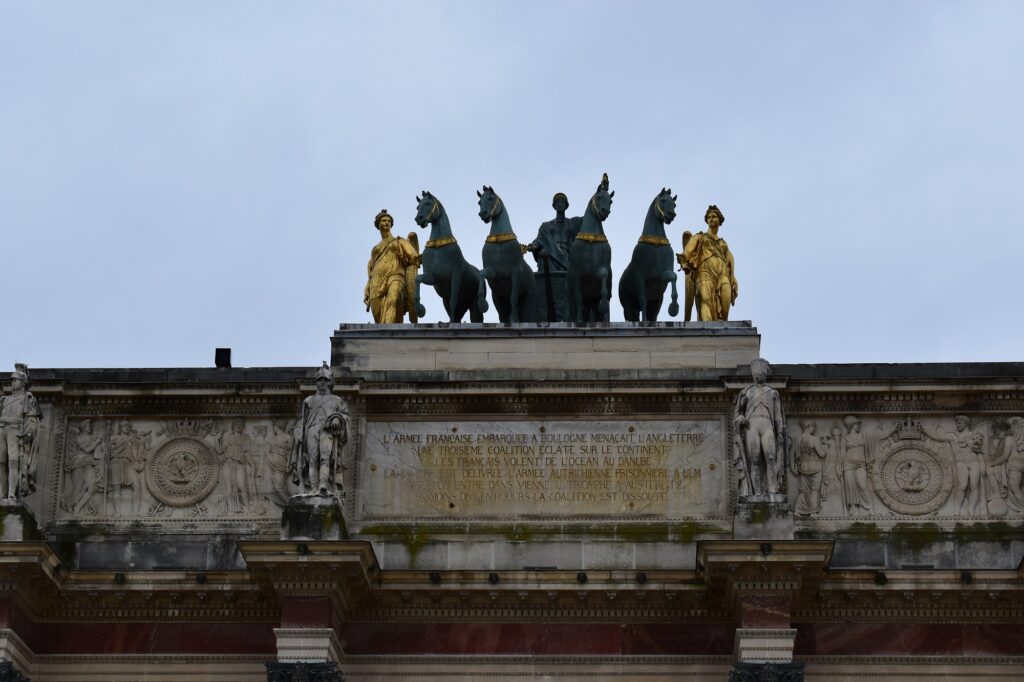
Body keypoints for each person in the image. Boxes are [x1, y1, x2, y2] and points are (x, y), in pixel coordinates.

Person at [291, 362, 349, 496]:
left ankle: (323, 485)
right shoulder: (308, 400)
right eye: (320, 380)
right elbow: (301, 420)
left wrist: (337, 418)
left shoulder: (337, 400)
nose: (322, 383)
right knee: (312, 459)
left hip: (327, 431)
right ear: (316, 382)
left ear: (330, 382)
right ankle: (313, 488)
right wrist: (298, 431)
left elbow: (345, 415)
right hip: (311, 430)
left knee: (325, 458)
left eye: (326, 380)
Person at [733, 358, 786, 498]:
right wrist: (740, 418)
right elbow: (739, 413)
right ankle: (756, 492)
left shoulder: (773, 393)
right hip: (752, 426)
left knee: (771, 457)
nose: (759, 374)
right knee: (754, 459)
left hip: (768, 426)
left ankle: (772, 489)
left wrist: (780, 431)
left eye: (761, 371)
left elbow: (778, 415)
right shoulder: (747, 392)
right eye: (756, 371)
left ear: (765, 373)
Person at [676, 205, 737, 321]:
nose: (711, 219)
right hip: (705, 272)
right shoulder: (700, 236)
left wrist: (733, 278)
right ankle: (707, 328)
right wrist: (683, 257)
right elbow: (688, 250)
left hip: (723, 273)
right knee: (705, 301)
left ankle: (722, 327)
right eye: (709, 217)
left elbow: (729, 261)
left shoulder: (723, 243)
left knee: (725, 302)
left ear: (720, 220)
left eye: (714, 216)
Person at [364, 209, 420, 323]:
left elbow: (413, 254)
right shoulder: (375, 249)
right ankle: (383, 331)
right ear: (378, 224)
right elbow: (371, 270)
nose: (387, 223)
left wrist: (418, 258)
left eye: (389, 221)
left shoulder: (400, 241)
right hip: (376, 280)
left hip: (396, 274)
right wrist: (367, 286)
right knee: (376, 312)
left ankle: (389, 331)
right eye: (384, 220)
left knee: (394, 299)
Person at [0, 363, 42, 499]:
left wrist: (26, 435)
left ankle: (12, 492)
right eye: (12, 380)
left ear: (23, 382)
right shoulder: (4, 400)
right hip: (2, 429)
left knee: (13, 461)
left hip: (15, 430)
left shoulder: (29, 399)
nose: (12, 382)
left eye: (15, 380)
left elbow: (32, 421)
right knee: (1, 462)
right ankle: (2, 493)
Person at [526, 193, 581, 272]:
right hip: (552, 256)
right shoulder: (546, 226)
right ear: (554, 206)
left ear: (566, 205)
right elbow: (539, 240)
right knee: (545, 255)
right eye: (557, 202)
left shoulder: (573, 223)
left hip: (568, 256)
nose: (559, 204)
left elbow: (588, 219)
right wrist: (534, 246)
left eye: (562, 202)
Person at [791, 420, 828, 515]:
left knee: (803, 492)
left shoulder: (798, 439)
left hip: (803, 469)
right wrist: (825, 448)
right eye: (813, 427)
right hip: (815, 469)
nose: (814, 429)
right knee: (814, 490)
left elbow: (792, 454)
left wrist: (792, 467)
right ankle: (812, 512)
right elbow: (822, 454)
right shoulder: (814, 439)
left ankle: (797, 511)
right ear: (809, 426)